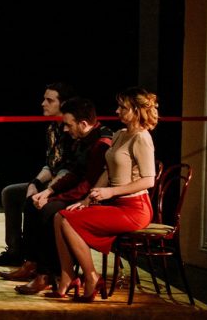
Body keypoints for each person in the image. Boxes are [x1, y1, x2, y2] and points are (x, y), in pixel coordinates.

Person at [51, 87, 158, 302]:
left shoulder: (142, 138)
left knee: (69, 222)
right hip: (116, 204)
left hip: (135, 208)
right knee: (59, 217)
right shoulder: (120, 134)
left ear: (136, 111)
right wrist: (87, 200)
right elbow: (107, 172)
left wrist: (110, 191)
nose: (117, 111)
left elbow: (149, 180)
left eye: (123, 107)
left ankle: (91, 276)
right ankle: (68, 276)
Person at [10, 97, 112, 294]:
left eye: (68, 125)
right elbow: (73, 173)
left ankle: (47, 274)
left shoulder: (100, 144)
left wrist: (52, 199)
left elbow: (87, 185)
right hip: (79, 193)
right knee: (33, 203)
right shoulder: (81, 139)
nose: (65, 129)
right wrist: (48, 191)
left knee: (48, 210)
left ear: (83, 124)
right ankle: (32, 263)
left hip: (93, 198)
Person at [0, 82, 75, 267]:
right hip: (54, 181)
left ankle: (36, 260)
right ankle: (15, 251)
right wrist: (35, 182)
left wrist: (47, 190)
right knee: (11, 193)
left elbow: (69, 170)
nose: (43, 104)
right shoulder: (52, 128)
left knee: (32, 202)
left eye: (49, 100)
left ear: (64, 104)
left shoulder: (71, 130)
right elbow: (51, 165)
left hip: (67, 186)